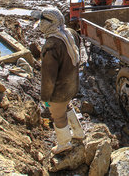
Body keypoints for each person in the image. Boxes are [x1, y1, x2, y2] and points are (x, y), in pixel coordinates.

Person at [33, 8, 83, 154]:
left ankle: (64, 143)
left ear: (49, 23)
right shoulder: (69, 34)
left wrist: (46, 98)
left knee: (58, 114)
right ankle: (79, 133)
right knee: (66, 106)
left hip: (59, 89)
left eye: (42, 21)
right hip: (72, 84)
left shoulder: (52, 46)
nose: (40, 24)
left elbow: (48, 79)